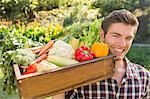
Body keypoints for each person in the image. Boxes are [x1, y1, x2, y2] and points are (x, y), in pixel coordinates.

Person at [52, 9, 150, 99]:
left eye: (128, 38)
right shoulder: (81, 75)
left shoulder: (144, 77)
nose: (122, 44)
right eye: (116, 36)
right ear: (102, 35)